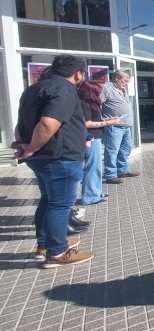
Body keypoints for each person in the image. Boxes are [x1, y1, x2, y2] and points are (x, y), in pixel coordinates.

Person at [13, 55, 95, 268]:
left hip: (43, 158)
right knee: (60, 204)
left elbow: (20, 123)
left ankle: (44, 245)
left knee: (48, 200)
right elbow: (48, 123)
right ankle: (57, 252)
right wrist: (30, 148)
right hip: (61, 157)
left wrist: (23, 144)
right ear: (78, 74)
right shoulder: (65, 90)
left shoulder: (33, 89)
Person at [77, 81, 118, 206]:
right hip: (91, 138)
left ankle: (97, 192)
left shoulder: (91, 104)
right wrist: (108, 123)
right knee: (93, 167)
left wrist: (107, 119)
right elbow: (87, 123)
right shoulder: (85, 104)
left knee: (97, 167)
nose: (100, 93)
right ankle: (90, 196)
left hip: (96, 137)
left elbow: (94, 120)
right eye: (98, 91)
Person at [101, 70, 139, 184]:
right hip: (114, 127)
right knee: (112, 151)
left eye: (128, 81)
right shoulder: (106, 88)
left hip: (125, 126)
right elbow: (97, 104)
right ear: (117, 78)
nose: (127, 83)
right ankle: (110, 174)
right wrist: (103, 119)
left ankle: (122, 170)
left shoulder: (122, 89)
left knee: (125, 149)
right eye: (125, 80)